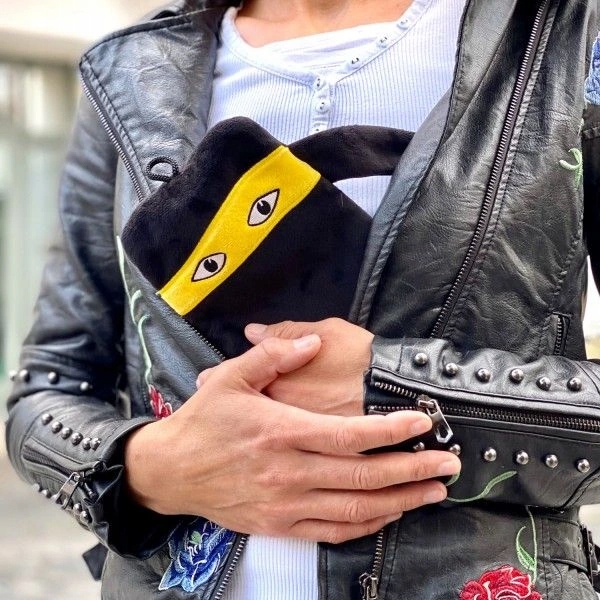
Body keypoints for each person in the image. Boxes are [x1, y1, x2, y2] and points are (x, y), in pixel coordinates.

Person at [5, 0, 600, 598]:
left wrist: (394, 387)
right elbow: (49, 385)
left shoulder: (566, 34)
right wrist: (150, 466)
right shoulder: (134, 69)